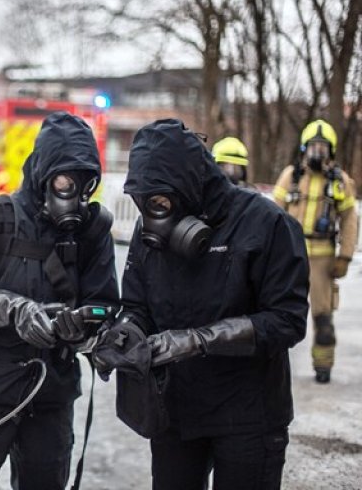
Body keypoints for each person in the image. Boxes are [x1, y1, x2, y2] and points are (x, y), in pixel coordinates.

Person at [94, 119, 308, 490]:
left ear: (191, 186)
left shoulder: (266, 224)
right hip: (176, 413)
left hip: (249, 416)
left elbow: (287, 320)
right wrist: (125, 332)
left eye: (159, 201)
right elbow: (136, 305)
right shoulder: (150, 237)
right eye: (142, 203)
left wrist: (200, 339)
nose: (151, 214)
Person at [0, 112, 120, 490]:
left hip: (51, 394)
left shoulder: (91, 233)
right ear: (43, 173)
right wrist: (14, 310)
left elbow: (105, 307)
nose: (76, 195)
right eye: (67, 180)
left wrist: (82, 328)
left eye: (86, 184)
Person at [273, 119, 358, 383]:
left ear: (331, 151)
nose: (317, 153)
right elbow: (272, 214)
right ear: (303, 149)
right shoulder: (291, 177)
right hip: (290, 256)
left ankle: (322, 366)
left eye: (322, 147)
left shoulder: (340, 182)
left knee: (323, 316)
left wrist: (345, 256)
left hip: (322, 257)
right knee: (276, 311)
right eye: (313, 147)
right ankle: (271, 364)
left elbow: (349, 219)